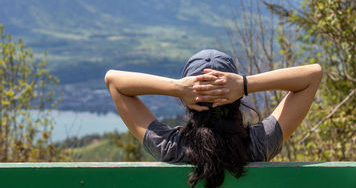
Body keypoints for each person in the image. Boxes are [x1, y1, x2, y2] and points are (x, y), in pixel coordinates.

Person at [104, 49, 322, 188]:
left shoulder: (170, 148)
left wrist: (177, 88)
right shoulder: (259, 144)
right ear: (236, 100)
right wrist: (245, 84)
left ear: (188, 101)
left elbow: (114, 81)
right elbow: (312, 75)